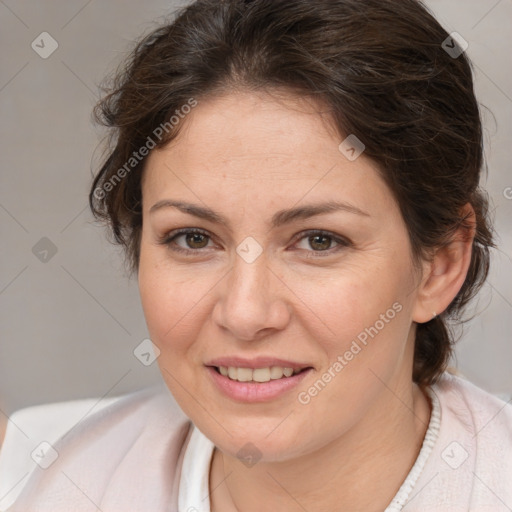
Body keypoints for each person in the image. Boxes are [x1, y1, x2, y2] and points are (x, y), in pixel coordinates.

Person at [1, 0, 511, 510]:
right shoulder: (40, 478)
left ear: (439, 266)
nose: (245, 314)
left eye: (319, 240)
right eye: (193, 238)